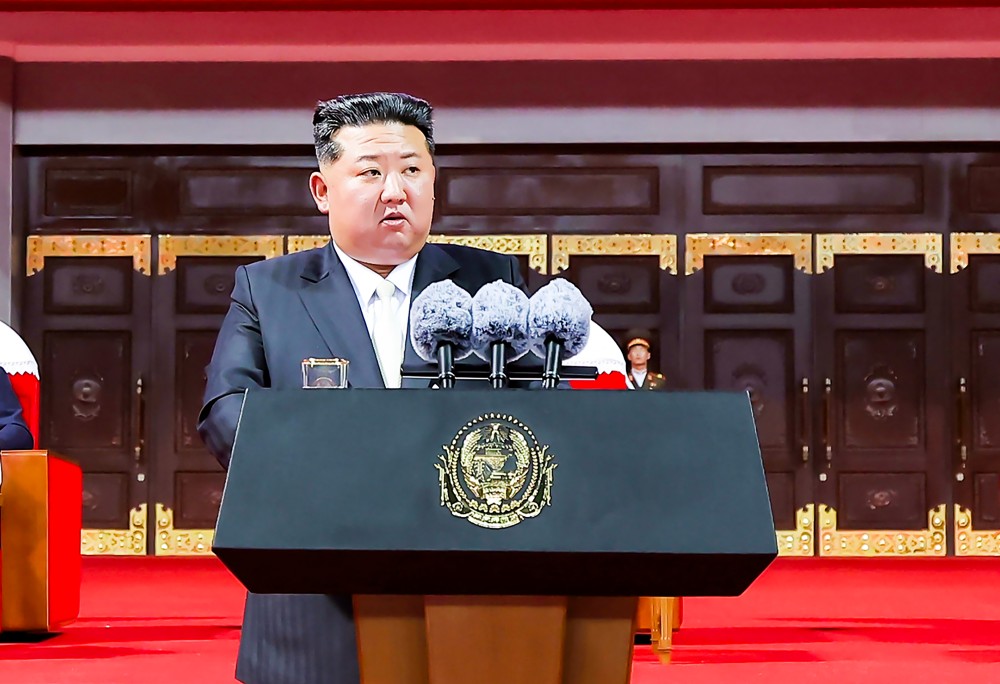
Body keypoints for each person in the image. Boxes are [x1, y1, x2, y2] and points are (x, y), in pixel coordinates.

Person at [197, 93, 528, 684]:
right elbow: (226, 411)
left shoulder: (492, 282)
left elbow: (531, 411)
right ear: (322, 190)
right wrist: (338, 476)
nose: (394, 190)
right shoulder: (269, 289)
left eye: (411, 170)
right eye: (370, 172)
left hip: (463, 582)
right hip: (316, 584)